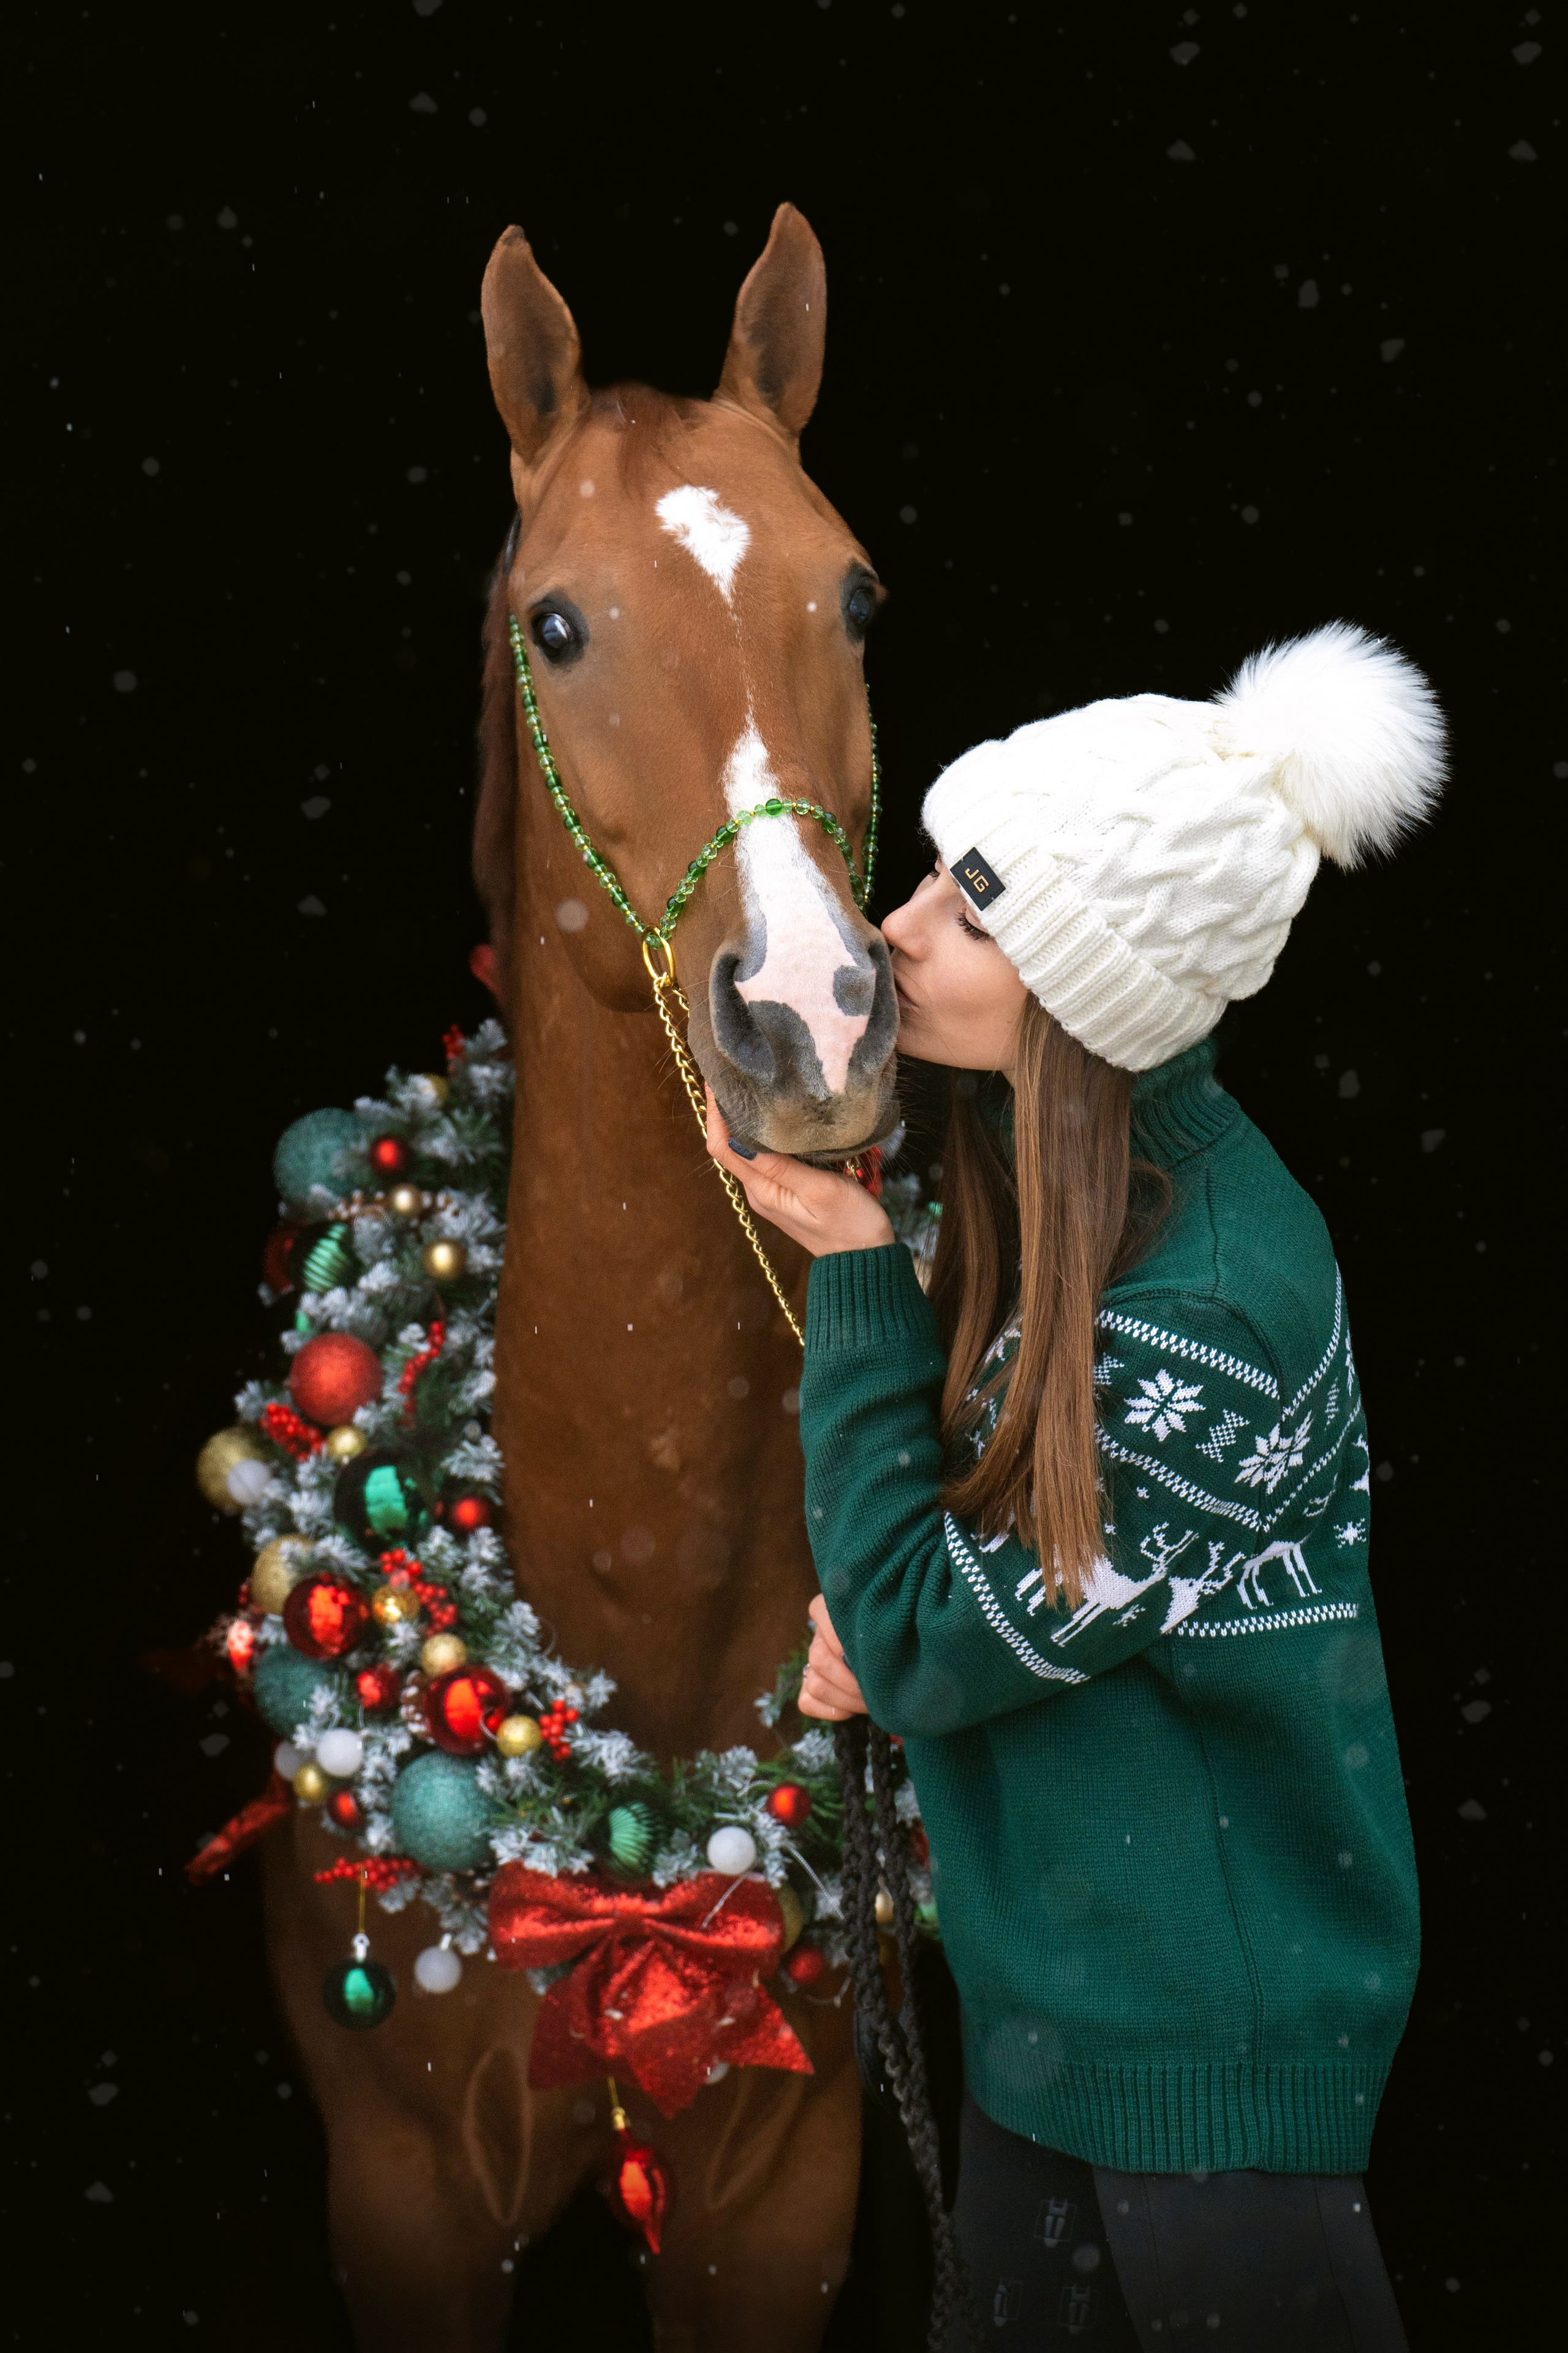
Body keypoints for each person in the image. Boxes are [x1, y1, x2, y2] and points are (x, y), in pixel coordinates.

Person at [706, 623, 1442, 2351]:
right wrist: (896, 1628)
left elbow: (938, 1635)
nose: (896, 927)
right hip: (1059, 2014)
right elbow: (968, 1585)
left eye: (973, 909)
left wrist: (860, 1277)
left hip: (1208, 2062)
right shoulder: (1059, 1190)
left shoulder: (1214, 1310)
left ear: (1084, 988)